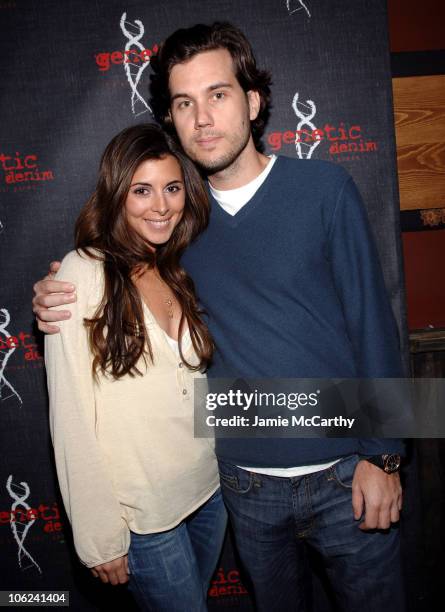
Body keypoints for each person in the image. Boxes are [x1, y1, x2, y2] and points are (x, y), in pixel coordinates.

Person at [35, 22, 406, 612]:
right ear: (172, 120)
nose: (202, 117)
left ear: (253, 103)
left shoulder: (326, 188)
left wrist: (384, 456)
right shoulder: (178, 224)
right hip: (242, 484)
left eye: (218, 94)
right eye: (185, 102)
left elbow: (375, 324)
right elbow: (109, 266)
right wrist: (59, 287)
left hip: (345, 474)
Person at [44, 123, 227, 612]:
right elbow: (70, 418)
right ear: (116, 194)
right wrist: (99, 535)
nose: (161, 207)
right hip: (144, 517)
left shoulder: (174, 265)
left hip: (209, 494)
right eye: (141, 191)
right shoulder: (82, 273)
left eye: (171, 189)